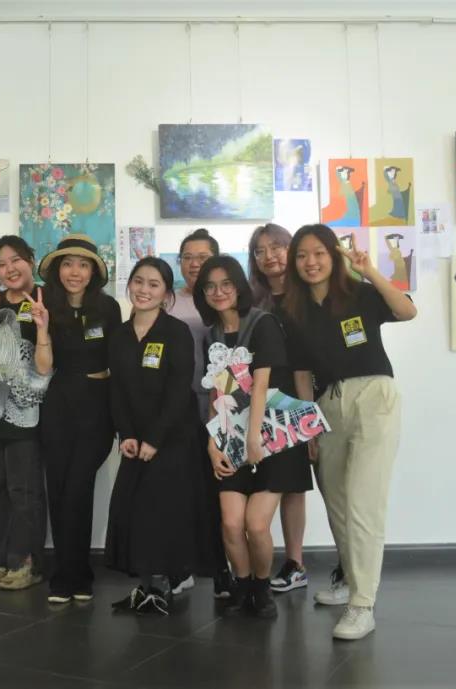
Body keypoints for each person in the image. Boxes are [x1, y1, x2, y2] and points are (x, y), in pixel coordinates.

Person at [280, 223, 417, 640]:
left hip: (374, 395)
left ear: (333, 255)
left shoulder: (359, 292)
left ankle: (363, 604)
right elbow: (301, 372)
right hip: (327, 405)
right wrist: (308, 427)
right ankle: (352, 582)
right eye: (302, 255)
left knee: (362, 502)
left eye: (319, 253)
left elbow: (407, 311)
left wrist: (370, 270)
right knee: (337, 502)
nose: (311, 262)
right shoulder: (293, 309)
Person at [195, 255, 309, 619]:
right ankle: (242, 587)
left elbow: (261, 386)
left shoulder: (263, 323)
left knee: (256, 525)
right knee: (231, 523)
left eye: (226, 284)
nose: (218, 292)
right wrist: (212, 444)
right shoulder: (211, 335)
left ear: (239, 287)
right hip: (231, 435)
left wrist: (254, 439)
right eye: (210, 286)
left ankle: (262, 588)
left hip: (268, 436)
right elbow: (218, 394)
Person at [106, 257, 212, 616]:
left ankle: (167, 583)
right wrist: (126, 434)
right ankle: (146, 585)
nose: (144, 290)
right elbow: (117, 390)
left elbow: (179, 390)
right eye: (138, 281)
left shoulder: (176, 331)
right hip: (135, 439)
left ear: (166, 293)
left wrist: (154, 439)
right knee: (133, 510)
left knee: (164, 511)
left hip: (173, 437)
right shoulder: (120, 335)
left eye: (154, 284)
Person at [38, 234, 121, 604]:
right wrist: (42, 328)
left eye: (83, 265)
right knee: (58, 489)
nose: (75, 272)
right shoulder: (45, 305)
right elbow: (44, 366)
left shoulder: (108, 308)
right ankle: (65, 576)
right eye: (68, 264)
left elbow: (119, 361)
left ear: (93, 272)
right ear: (58, 269)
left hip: (97, 406)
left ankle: (79, 572)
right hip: (58, 404)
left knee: (78, 488)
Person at [0, 236, 52, 591]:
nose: (9, 269)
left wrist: (43, 325)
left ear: (30, 260)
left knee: (25, 491)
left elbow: (47, 365)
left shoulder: (47, 299)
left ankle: (27, 562)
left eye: (15, 260)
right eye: (1, 264)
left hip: (27, 411)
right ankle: (1, 557)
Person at [247, 223, 316, 595]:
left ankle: (295, 562)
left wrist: (309, 413)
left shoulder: (307, 294)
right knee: (265, 481)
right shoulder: (252, 300)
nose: (269, 256)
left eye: (276, 247)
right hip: (258, 399)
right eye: (260, 251)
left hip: (297, 396)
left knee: (294, 485)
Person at [165, 228, 232, 599]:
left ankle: (221, 568)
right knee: (180, 490)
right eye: (187, 257)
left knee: (220, 491)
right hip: (179, 409)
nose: (194, 264)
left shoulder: (224, 301)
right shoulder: (169, 301)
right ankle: (182, 566)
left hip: (221, 409)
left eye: (202, 257)